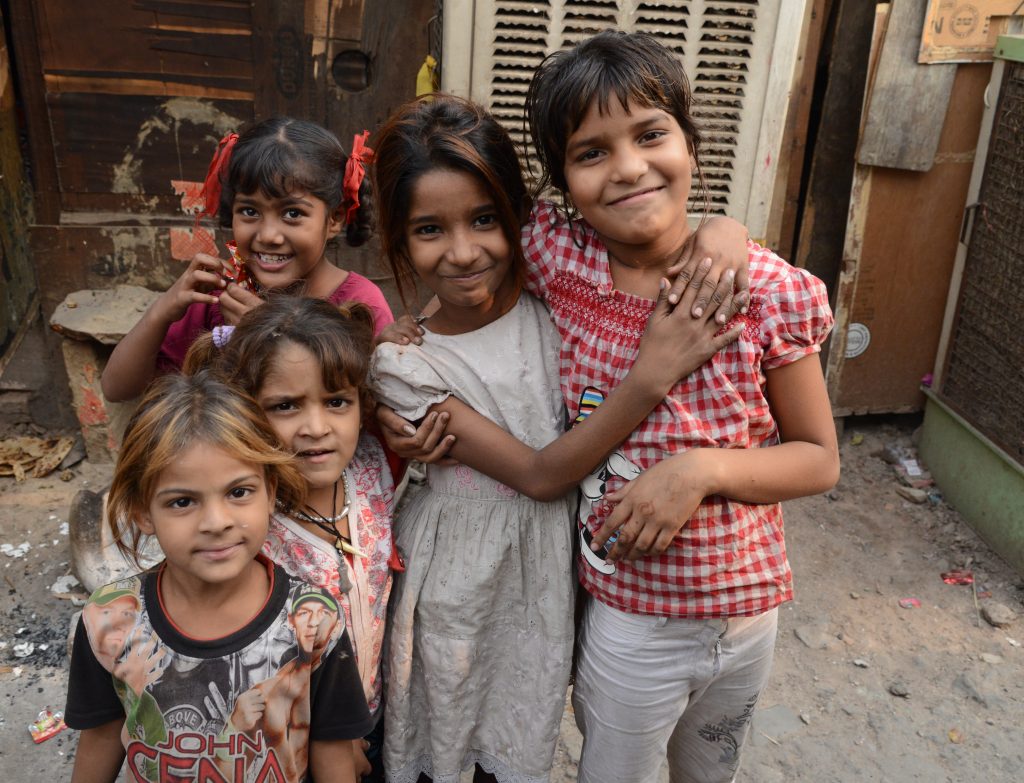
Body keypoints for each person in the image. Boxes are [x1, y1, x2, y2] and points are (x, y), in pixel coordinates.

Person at [367, 95, 746, 783]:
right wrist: (650, 375)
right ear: (396, 242)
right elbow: (543, 476)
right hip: (459, 586)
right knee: (449, 741)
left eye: (485, 219)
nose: (462, 251)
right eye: (428, 230)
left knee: (519, 736)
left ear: (521, 216)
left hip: (542, 583)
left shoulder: (560, 300)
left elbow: (654, 229)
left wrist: (725, 229)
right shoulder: (406, 363)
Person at [508, 30, 839, 783]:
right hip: (631, 618)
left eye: (651, 134)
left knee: (707, 773)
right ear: (562, 181)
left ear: (691, 144)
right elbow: (468, 254)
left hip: (748, 616)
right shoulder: (562, 259)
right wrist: (406, 326)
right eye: (590, 152)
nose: (628, 167)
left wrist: (698, 469)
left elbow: (819, 458)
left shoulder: (764, 291)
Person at [65, 371, 373, 783]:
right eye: (182, 501)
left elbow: (331, 750)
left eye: (239, 492)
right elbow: (101, 736)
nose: (216, 522)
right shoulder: (110, 620)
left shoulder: (313, 620)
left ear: (270, 490)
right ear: (142, 512)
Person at [185, 294, 397, 781]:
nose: (317, 428)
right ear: (245, 412)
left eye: (337, 401)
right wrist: (335, 736)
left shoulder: (369, 468)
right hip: (292, 741)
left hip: (377, 715)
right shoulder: (247, 528)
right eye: (286, 406)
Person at [100, 117, 397, 403]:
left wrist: (265, 336)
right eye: (250, 211)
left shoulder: (359, 305)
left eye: (292, 214)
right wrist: (163, 311)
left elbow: (360, 410)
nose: (268, 235)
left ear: (334, 218)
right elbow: (117, 389)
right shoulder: (217, 299)